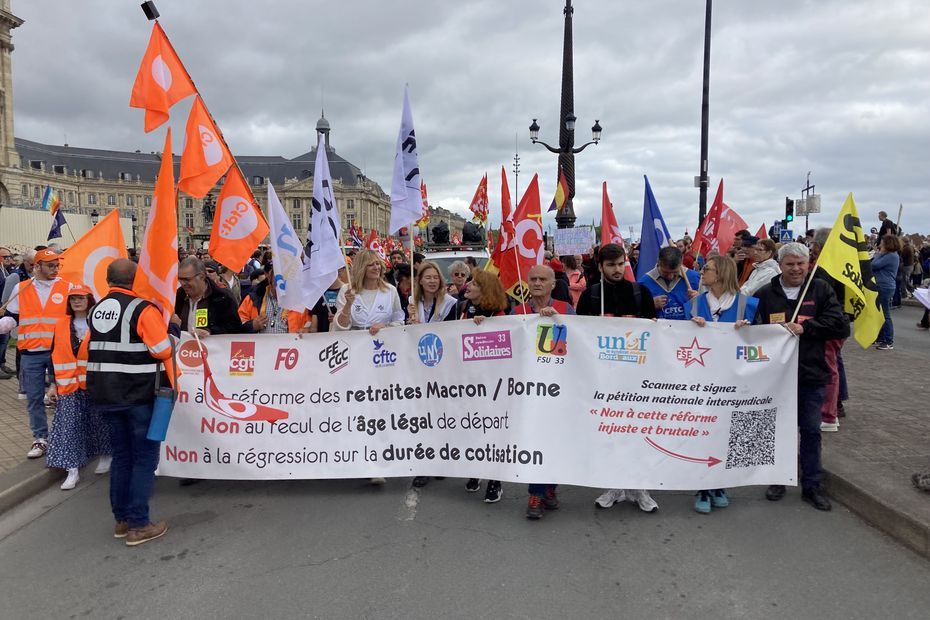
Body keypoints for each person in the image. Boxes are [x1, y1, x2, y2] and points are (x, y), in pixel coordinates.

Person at [754, 243, 849, 511]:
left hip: (811, 372)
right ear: (780, 265)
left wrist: (807, 327)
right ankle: (778, 479)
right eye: (790, 264)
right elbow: (753, 329)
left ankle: (812, 485)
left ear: (808, 264)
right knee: (778, 431)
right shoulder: (765, 294)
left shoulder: (820, 289)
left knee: (810, 431)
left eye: (801, 264)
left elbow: (840, 324)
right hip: (776, 377)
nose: (796, 269)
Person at [86, 259, 175, 545]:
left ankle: (122, 520)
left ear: (108, 280)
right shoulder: (141, 309)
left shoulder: (97, 308)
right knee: (144, 457)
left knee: (122, 456)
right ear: (134, 280)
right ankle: (139, 524)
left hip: (106, 393)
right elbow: (161, 349)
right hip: (138, 393)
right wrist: (171, 334)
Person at [576, 243, 660, 513]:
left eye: (620, 264)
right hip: (603, 379)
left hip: (636, 378)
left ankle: (639, 487)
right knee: (609, 434)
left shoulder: (640, 293)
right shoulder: (591, 296)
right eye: (610, 265)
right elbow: (579, 335)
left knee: (636, 433)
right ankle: (614, 485)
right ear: (600, 267)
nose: (616, 269)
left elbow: (658, 336)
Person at [685, 256, 758, 514]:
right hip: (701, 381)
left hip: (733, 381)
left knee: (727, 432)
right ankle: (703, 487)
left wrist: (749, 331)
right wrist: (688, 329)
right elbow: (673, 339)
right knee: (704, 433)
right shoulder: (692, 305)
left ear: (722, 273)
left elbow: (762, 343)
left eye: (706, 269)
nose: (701, 272)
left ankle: (720, 484)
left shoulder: (749, 306)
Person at [334, 250, 405, 485]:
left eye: (378, 264)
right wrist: (347, 307)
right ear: (361, 267)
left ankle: (378, 462)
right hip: (356, 358)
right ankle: (358, 457)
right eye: (371, 264)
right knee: (358, 408)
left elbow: (399, 319)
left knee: (380, 409)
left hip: (383, 358)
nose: (376, 268)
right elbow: (340, 327)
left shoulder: (390, 291)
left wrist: (384, 327)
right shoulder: (348, 291)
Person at [512, 265, 574, 519]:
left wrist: (555, 322)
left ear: (552, 284)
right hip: (528, 390)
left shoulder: (565, 310)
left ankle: (549, 487)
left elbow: (576, 344)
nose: (537, 283)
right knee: (536, 441)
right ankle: (535, 493)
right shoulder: (517, 312)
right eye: (533, 279)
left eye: (542, 279)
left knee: (555, 441)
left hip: (557, 388)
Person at [0, 248, 71, 458]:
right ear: (36, 266)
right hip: (31, 352)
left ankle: (64, 436)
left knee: (64, 397)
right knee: (34, 397)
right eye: (50, 265)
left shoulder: (68, 288)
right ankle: (40, 439)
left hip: (59, 352)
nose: (55, 269)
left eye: (57, 265)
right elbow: (12, 318)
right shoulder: (22, 288)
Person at [46, 286, 112, 490]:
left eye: (81, 298)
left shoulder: (99, 323)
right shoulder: (61, 324)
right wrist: (52, 384)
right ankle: (72, 470)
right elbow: (53, 354)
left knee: (99, 421)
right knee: (68, 427)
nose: (76, 302)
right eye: (73, 298)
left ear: (89, 300)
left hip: (94, 384)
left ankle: (106, 455)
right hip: (68, 385)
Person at [457, 269, 510, 503]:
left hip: (493, 385)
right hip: (468, 382)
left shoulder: (500, 314)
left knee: (493, 431)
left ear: (485, 290)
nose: (468, 286)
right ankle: (476, 470)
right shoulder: (462, 308)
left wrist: (485, 328)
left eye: (474, 283)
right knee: (473, 429)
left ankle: (495, 480)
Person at [172, 257, 242, 337]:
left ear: (201, 276)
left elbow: (235, 329)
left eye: (187, 279)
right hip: (183, 348)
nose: (182, 283)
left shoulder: (223, 297)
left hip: (212, 348)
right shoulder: (177, 296)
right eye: (180, 279)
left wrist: (210, 331)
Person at [638, 246, 700, 321]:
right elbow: (636, 314)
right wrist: (650, 305)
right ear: (658, 262)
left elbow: (709, 311)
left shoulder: (695, 278)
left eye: (675, 272)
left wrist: (699, 300)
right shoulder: (644, 282)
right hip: (658, 331)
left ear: (681, 262)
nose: (670, 277)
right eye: (665, 272)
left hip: (687, 330)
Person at [238, 264, 290, 334]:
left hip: (288, 344)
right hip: (259, 344)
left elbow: (306, 330)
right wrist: (252, 325)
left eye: (287, 277)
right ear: (269, 276)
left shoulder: (300, 304)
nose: (281, 281)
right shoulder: (252, 298)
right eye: (278, 276)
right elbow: (237, 325)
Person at [871, 234, 900, 350]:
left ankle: (888, 340)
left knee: (885, 314)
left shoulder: (891, 256)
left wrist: (877, 254)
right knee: (880, 313)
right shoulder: (888, 255)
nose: (880, 244)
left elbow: (874, 265)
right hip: (881, 285)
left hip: (885, 286)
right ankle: (881, 337)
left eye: (882, 242)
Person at [407, 261, 458, 326]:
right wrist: (410, 318)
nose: (432, 281)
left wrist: (420, 327)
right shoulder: (412, 301)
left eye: (436, 277)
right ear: (420, 281)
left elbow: (451, 329)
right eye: (428, 277)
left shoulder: (449, 302)